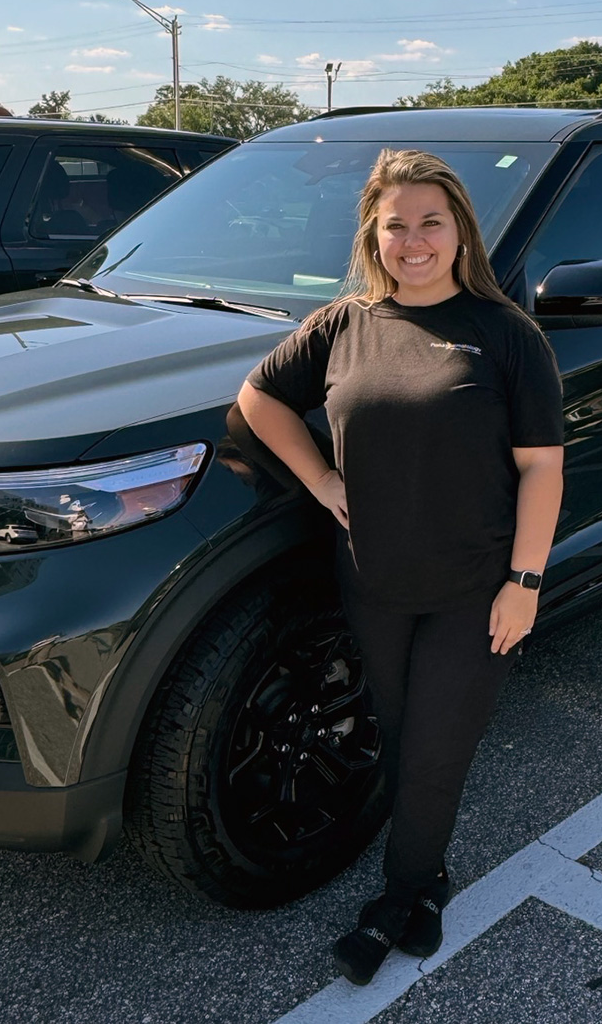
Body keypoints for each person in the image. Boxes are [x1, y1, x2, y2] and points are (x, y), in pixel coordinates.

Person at [237, 149, 565, 985]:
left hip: (475, 589)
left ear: (459, 232)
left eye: (431, 223)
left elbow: (540, 467)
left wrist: (524, 584)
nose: (413, 241)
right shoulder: (342, 326)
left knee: (432, 753)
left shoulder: (504, 333)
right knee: (399, 737)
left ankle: (394, 900)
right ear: (372, 236)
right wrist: (319, 478)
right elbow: (257, 399)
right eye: (396, 226)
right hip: (374, 583)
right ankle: (431, 876)